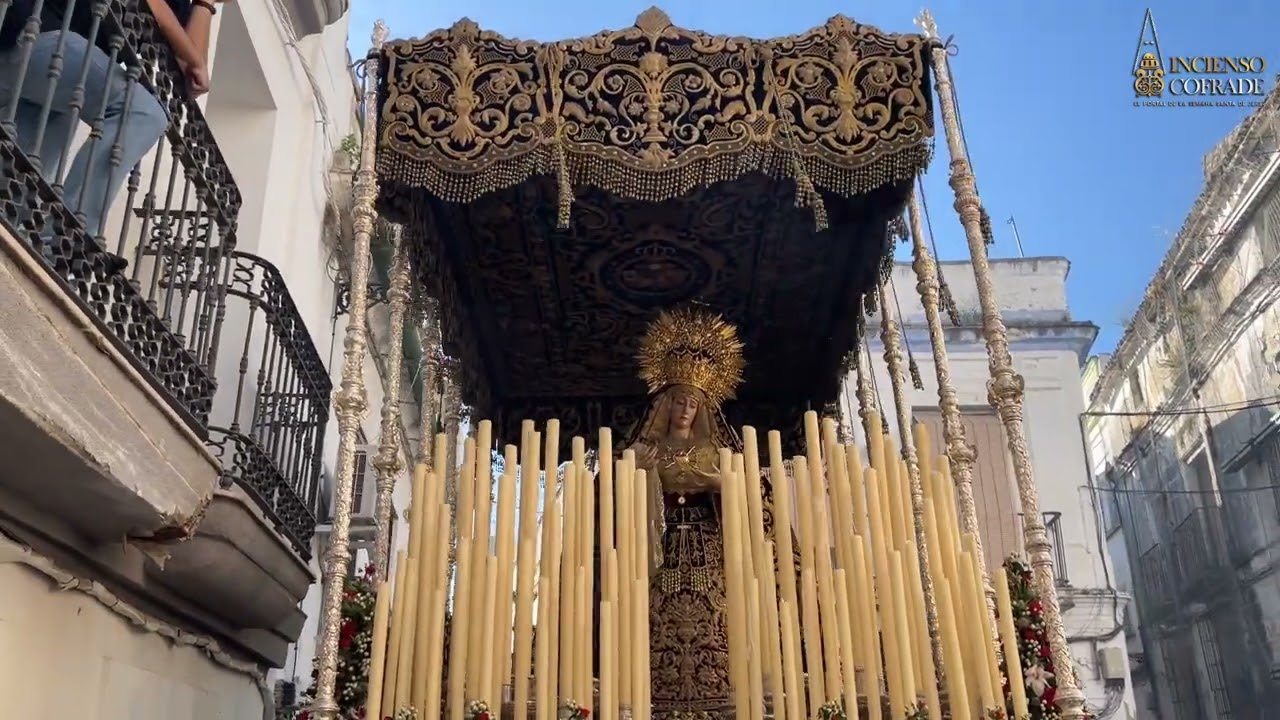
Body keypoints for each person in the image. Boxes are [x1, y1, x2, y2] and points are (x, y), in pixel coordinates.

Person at [626, 307, 798, 720]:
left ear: (701, 409)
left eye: (691, 403)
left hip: (708, 547)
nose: (685, 409)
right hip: (661, 546)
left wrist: (723, 485)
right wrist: (639, 474)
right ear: (666, 406)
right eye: (678, 401)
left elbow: (759, 500)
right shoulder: (647, 451)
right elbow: (612, 506)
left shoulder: (716, 452)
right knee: (650, 617)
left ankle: (722, 688)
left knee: (722, 619)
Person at [0, 0, 225, 269]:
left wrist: (205, 4)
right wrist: (195, 58)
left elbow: (190, 75)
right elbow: (157, 11)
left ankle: (39, 239)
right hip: (37, 35)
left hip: (51, 75)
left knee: (18, 186)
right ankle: (70, 234)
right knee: (143, 111)